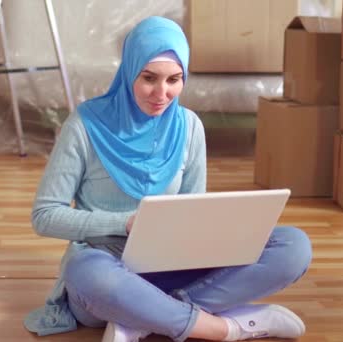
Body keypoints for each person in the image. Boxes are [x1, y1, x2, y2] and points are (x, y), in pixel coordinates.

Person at [24, 16, 312, 342]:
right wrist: (125, 223)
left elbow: (193, 210)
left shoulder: (189, 127)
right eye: (149, 78)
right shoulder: (84, 125)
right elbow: (45, 216)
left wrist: (225, 232)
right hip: (105, 264)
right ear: (130, 69)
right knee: (86, 275)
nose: (162, 93)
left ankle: (140, 319)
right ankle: (227, 328)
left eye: (174, 80)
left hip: (172, 267)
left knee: (293, 246)